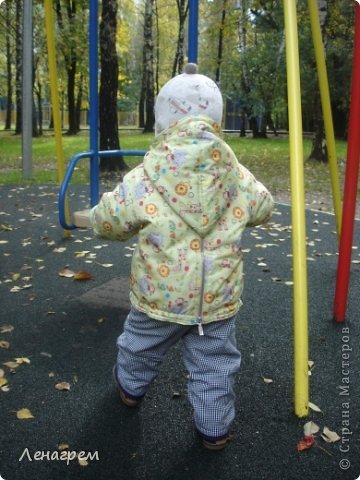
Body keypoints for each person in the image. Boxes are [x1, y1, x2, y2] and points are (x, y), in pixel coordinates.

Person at [90, 63, 274, 450]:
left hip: (159, 297)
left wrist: (99, 212)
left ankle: (129, 389)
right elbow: (263, 206)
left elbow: (110, 222)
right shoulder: (235, 172)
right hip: (218, 301)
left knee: (139, 346)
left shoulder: (146, 174)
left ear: (163, 121)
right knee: (215, 367)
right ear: (217, 120)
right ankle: (214, 430)